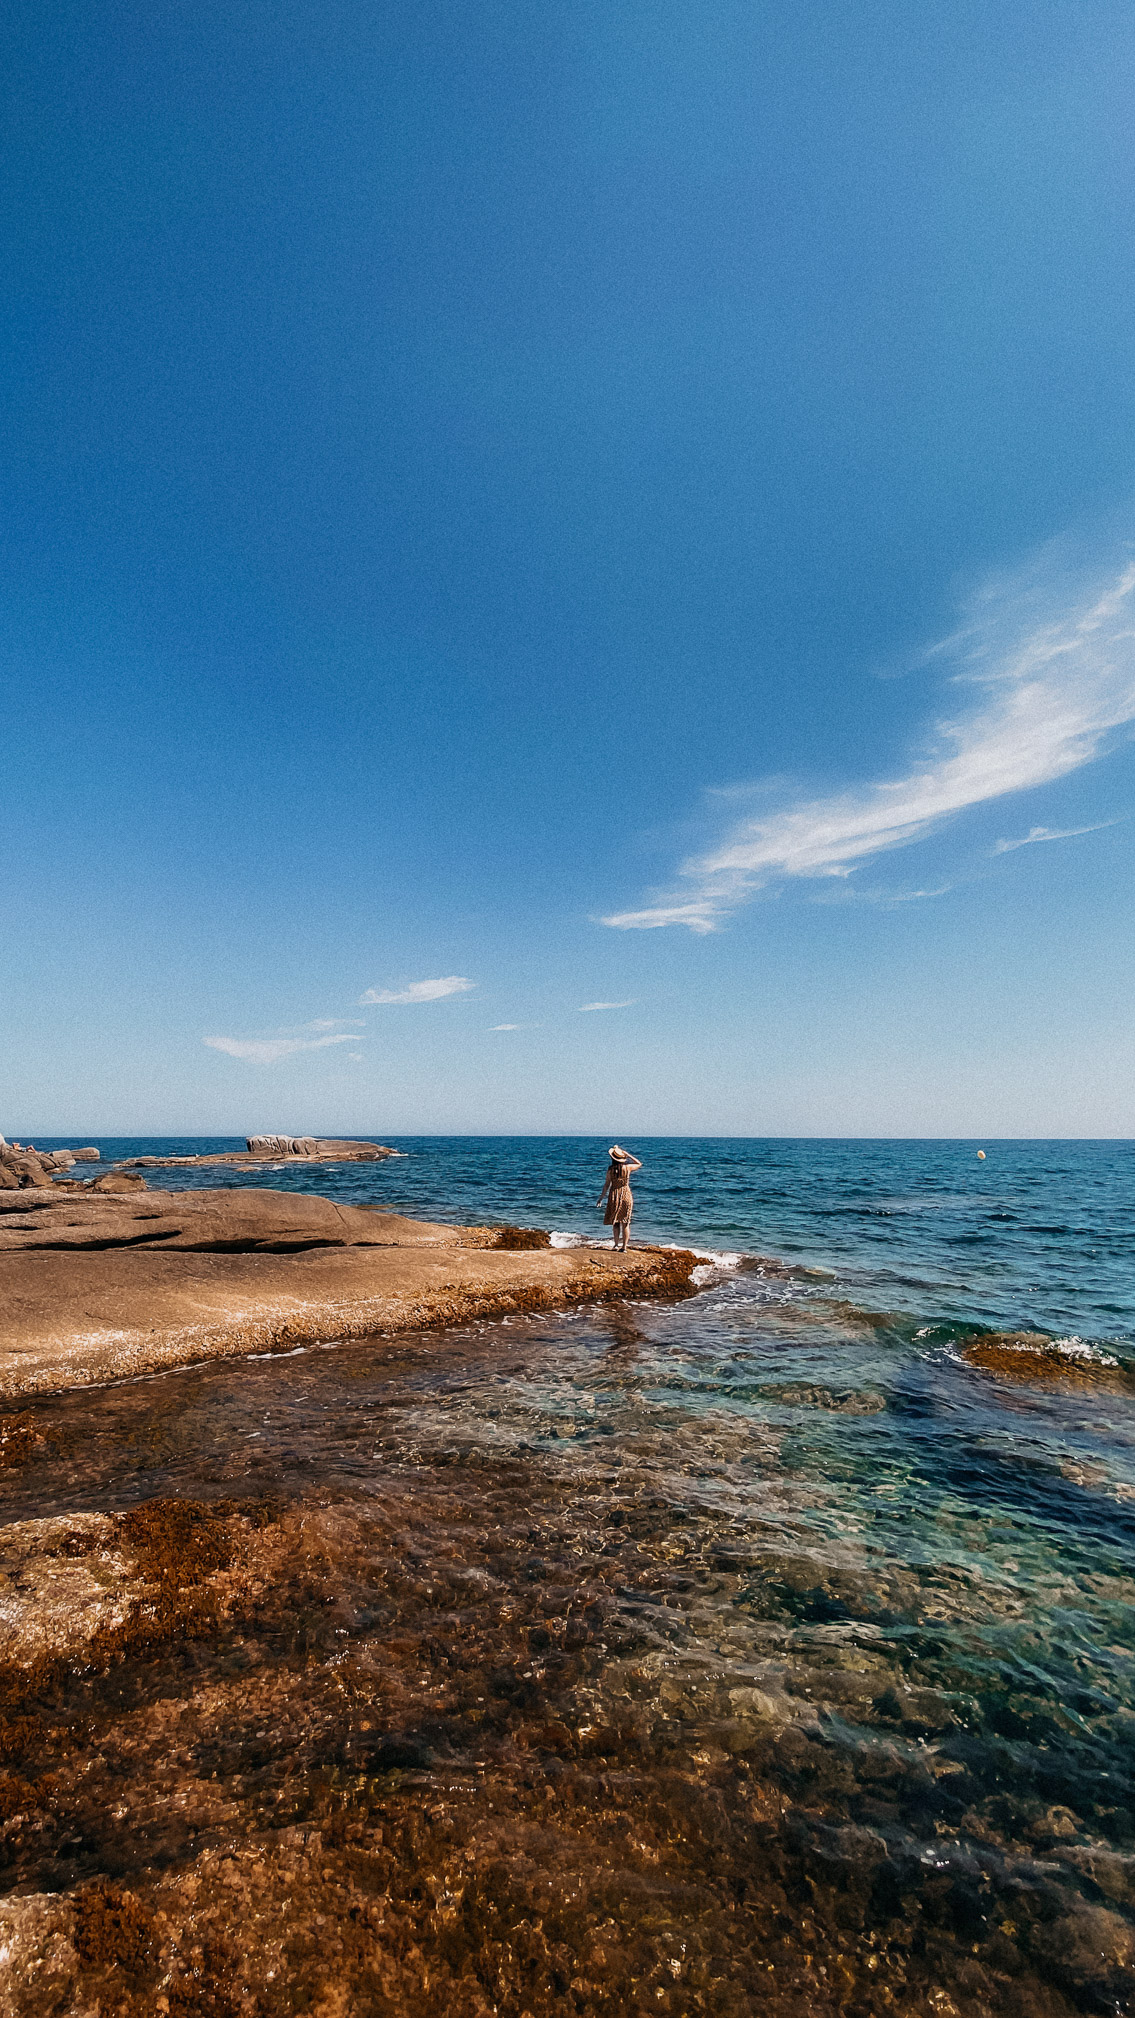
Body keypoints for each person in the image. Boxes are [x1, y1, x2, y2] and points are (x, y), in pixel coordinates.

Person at [597, 1145, 642, 1251]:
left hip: (614, 1194)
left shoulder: (610, 1170)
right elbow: (639, 1163)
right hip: (626, 1194)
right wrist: (628, 1155)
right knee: (625, 1222)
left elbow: (607, 1185)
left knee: (616, 1222)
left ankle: (616, 1245)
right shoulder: (627, 1168)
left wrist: (601, 1198)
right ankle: (624, 1247)